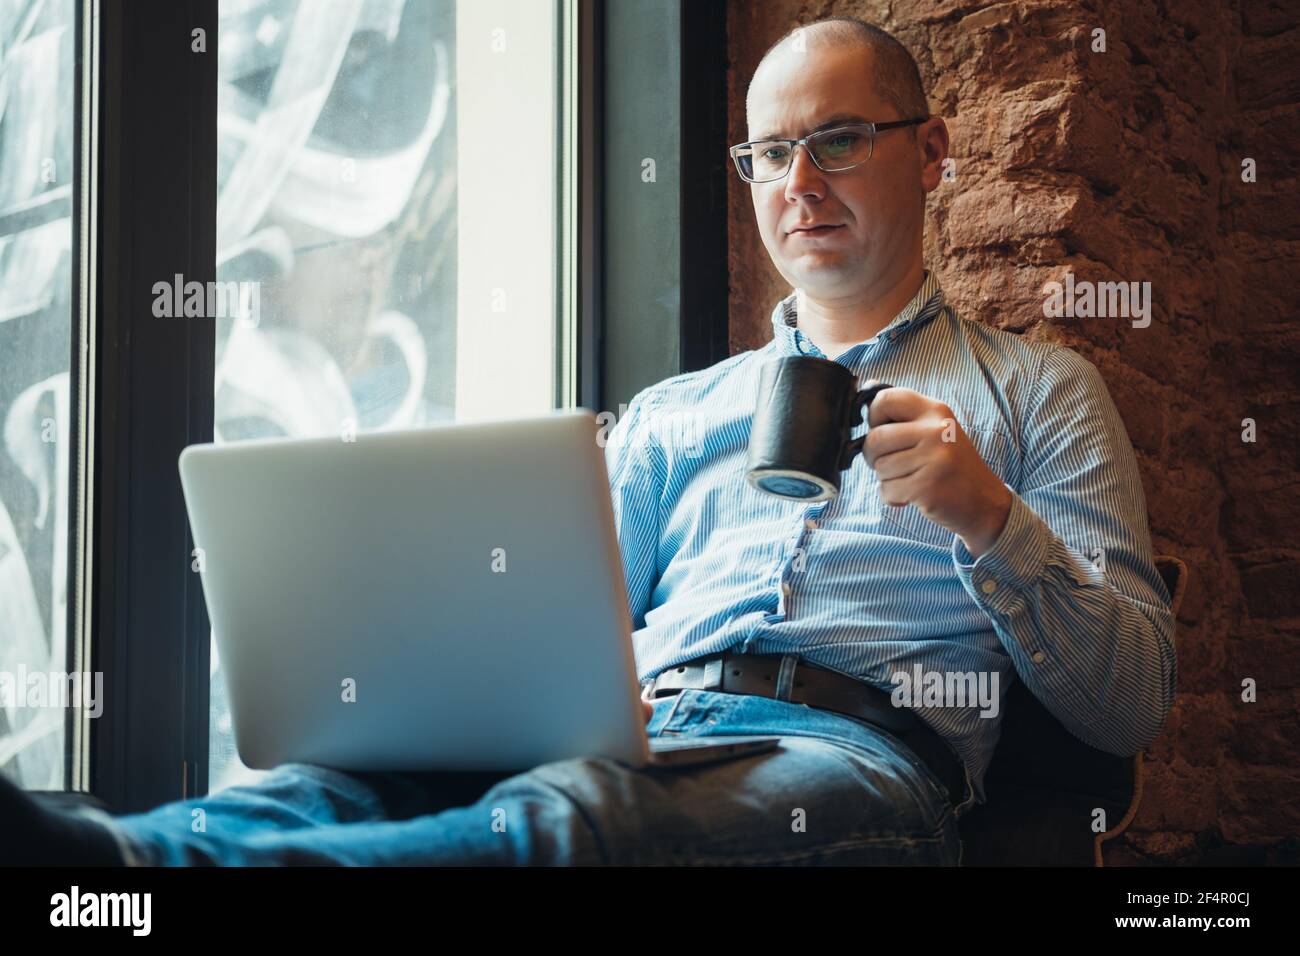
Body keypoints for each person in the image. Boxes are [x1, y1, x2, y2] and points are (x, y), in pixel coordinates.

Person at [0, 15, 1175, 867]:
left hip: (856, 760)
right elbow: (555, 636)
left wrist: (989, 520)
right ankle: (99, 867)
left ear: (930, 152)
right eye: (769, 153)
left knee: (575, 829)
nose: (798, 181)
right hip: (652, 726)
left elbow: (1127, 702)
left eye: (841, 138)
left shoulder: (1035, 392)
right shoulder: (677, 414)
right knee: (329, 782)